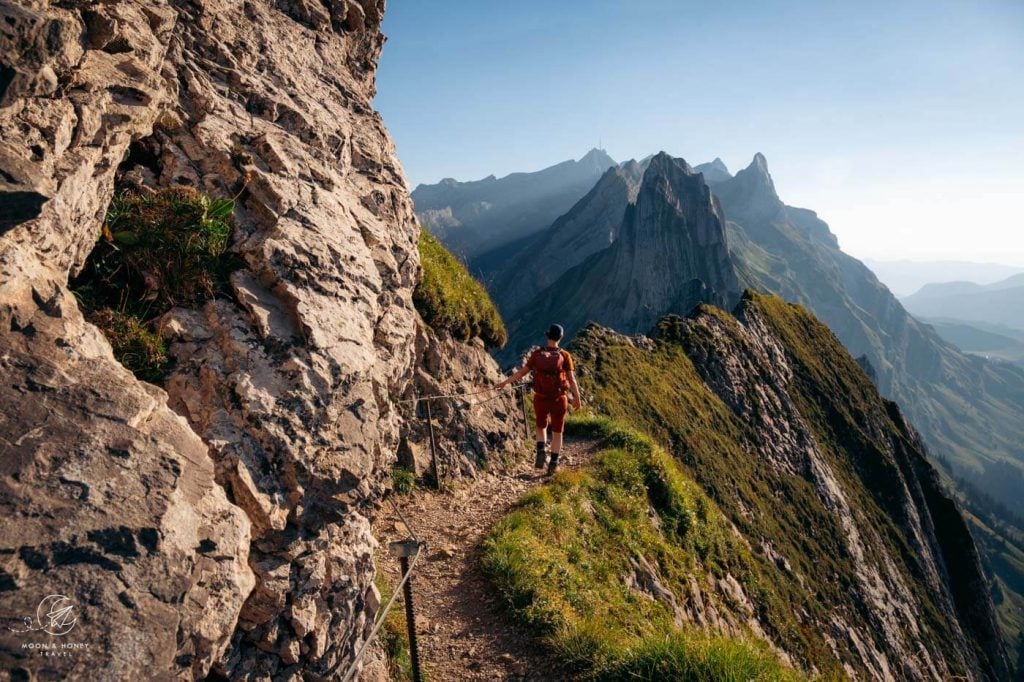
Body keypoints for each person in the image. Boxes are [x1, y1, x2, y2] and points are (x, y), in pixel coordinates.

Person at [495, 324, 582, 475]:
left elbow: (522, 373)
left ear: (547, 336)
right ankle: (553, 463)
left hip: (540, 398)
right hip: (559, 399)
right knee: (557, 431)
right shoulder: (565, 355)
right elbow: (571, 379)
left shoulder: (536, 354)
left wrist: (505, 382)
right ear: (561, 337)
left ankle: (541, 449)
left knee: (541, 426)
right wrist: (577, 397)